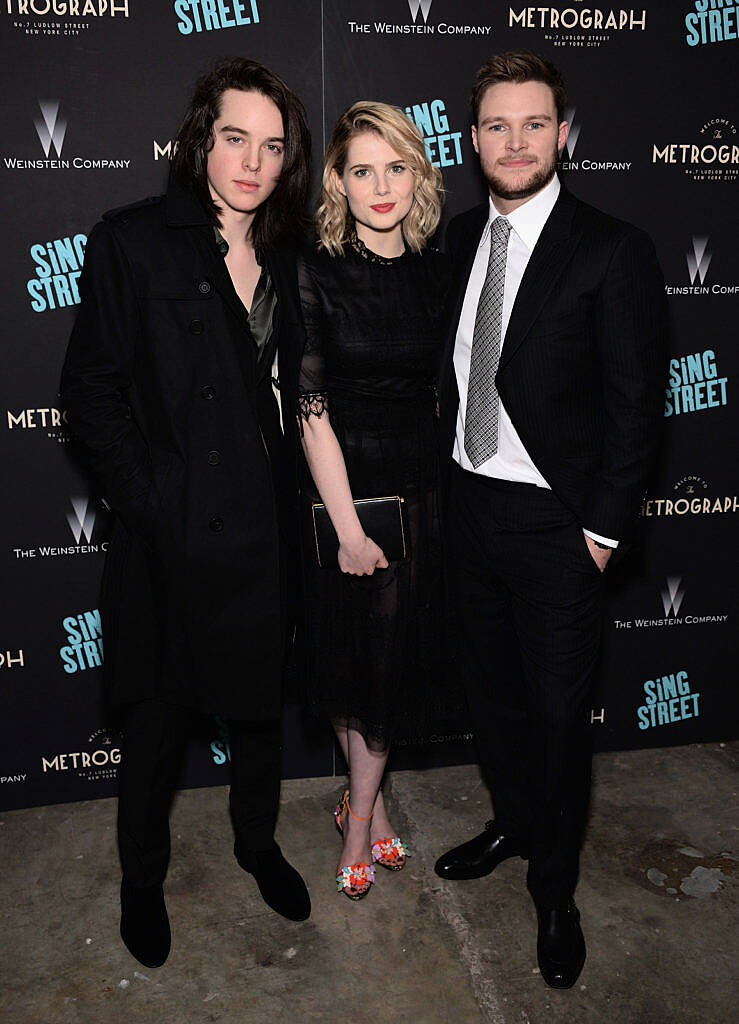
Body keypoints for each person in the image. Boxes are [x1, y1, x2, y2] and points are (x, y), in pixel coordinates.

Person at [60, 58, 313, 968]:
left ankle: (257, 843)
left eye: (273, 146)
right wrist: (154, 501)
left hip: (264, 529)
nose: (252, 161)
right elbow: (89, 394)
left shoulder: (291, 253)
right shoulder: (134, 240)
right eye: (235, 137)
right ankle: (141, 877)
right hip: (171, 536)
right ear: (201, 138)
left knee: (254, 715)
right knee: (157, 725)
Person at [434, 51, 668, 987]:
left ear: (563, 134)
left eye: (534, 124)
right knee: (489, 702)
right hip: (468, 507)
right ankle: (512, 823)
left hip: (555, 527)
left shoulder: (612, 248)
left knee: (557, 718)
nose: (515, 141)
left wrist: (600, 531)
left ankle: (555, 889)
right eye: (497, 125)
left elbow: (635, 408)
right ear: (473, 136)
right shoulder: (457, 240)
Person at [297, 102, 446, 899]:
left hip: (420, 494)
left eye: (395, 166)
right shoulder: (313, 269)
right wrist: (349, 530)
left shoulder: (436, 265)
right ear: (339, 183)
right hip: (338, 498)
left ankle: (357, 813)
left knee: (387, 670)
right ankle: (368, 812)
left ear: (417, 173)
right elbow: (310, 412)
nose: (380, 185)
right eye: (362, 170)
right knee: (345, 662)